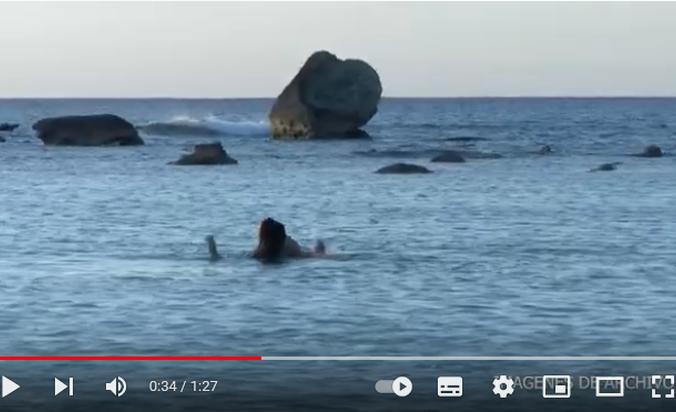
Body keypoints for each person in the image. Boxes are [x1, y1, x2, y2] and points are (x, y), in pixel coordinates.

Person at [206, 217, 326, 262]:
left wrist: (213, 250)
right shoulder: (289, 250)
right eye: (287, 236)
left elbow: (221, 259)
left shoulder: (258, 254)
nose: (290, 237)